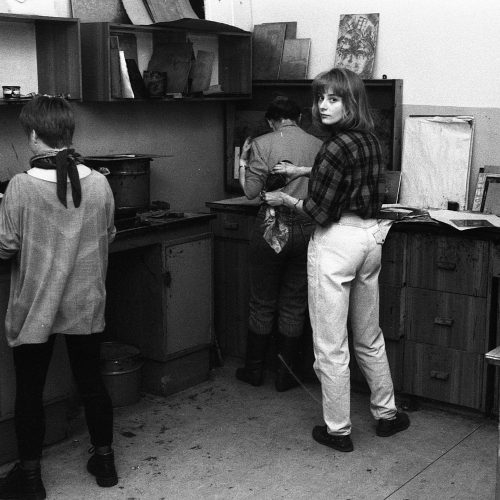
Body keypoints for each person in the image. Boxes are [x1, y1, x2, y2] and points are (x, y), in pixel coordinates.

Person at [264, 68, 409, 451]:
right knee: (369, 336)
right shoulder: (370, 141)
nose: (324, 106)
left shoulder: (332, 147)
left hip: (337, 243)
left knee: (330, 345)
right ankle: (387, 414)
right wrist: (304, 170)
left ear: (351, 102)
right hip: (370, 238)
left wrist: (285, 199)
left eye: (333, 99)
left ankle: (338, 430)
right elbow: (347, 174)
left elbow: (318, 211)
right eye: (320, 98)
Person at [0, 95, 117, 500]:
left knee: (30, 390)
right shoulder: (99, 182)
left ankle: (31, 479)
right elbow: (109, 235)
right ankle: (105, 462)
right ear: (68, 132)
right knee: (92, 382)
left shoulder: (20, 186)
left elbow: (5, 246)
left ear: (34, 135)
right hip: (85, 300)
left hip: (38, 305)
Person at [235, 95, 322, 392]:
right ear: (299, 118)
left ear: (272, 121)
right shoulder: (318, 144)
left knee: (262, 302)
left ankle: (254, 371)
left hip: (273, 227)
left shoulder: (262, 143)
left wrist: (243, 162)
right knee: (294, 303)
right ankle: (286, 377)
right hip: (308, 227)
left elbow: (250, 192)